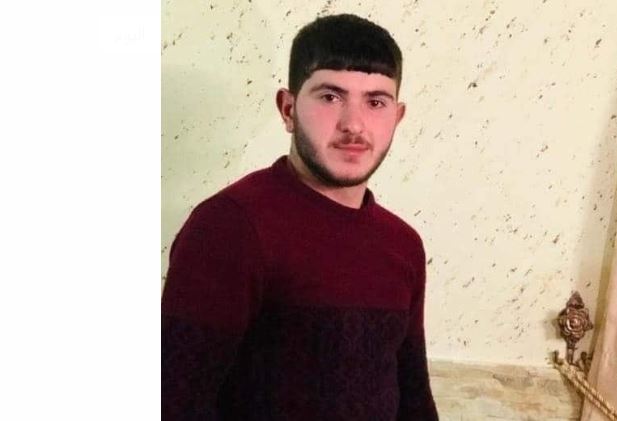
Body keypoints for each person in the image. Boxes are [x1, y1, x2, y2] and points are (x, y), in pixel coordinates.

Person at [161, 13, 439, 420]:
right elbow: (175, 401)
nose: (354, 124)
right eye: (330, 97)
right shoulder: (229, 227)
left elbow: (413, 398)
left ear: (397, 116)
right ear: (288, 109)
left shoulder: (403, 244)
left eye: (376, 102)